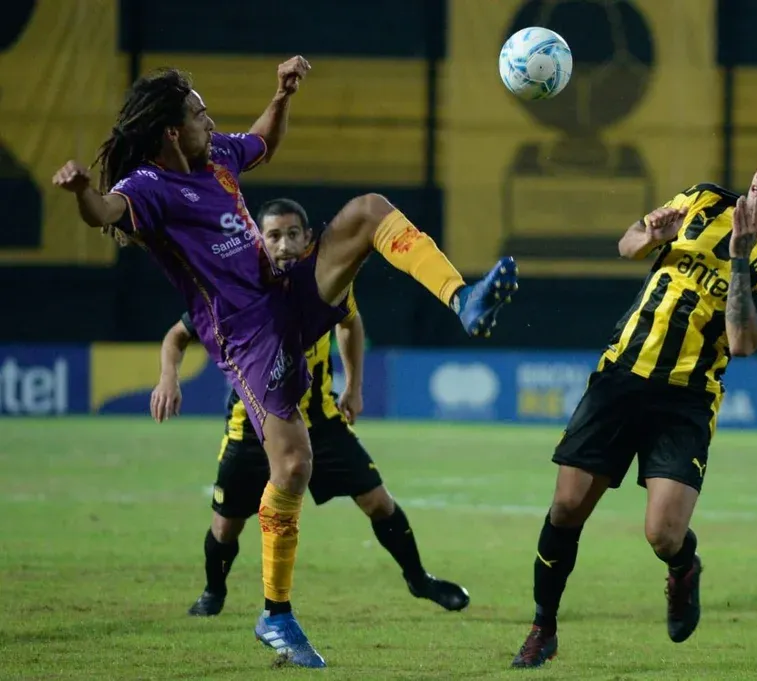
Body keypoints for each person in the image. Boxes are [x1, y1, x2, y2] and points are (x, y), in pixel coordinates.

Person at [52, 60, 517, 668]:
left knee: (368, 210)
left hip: (284, 291)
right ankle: (275, 614)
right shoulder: (149, 187)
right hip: (246, 335)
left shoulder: (217, 154)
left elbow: (264, 142)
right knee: (294, 466)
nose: (210, 120)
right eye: (198, 113)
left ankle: (462, 298)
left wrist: (281, 95)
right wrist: (81, 192)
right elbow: (105, 212)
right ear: (171, 131)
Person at [510, 140, 757, 668]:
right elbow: (628, 244)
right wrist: (649, 236)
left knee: (663, 535)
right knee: (566, 509)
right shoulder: (703, 200)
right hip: (621, 376)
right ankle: (543, 627)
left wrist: (739, 260)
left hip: (687, 400)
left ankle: (683, 567)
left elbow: (745, 342)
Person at [150, 197, 470, 618]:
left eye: (292, 234)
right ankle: (214, 591)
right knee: (226, 525)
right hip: (255, 424)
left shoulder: (323, 283)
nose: (283, 244)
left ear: (308, 240)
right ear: (257, 241)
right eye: (273, 236)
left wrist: (353, 387)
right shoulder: (237, 285)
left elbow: (350, 322)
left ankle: (418, 579)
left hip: (319, 418)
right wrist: (168, 377)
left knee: (378, 502)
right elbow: (177, 334)